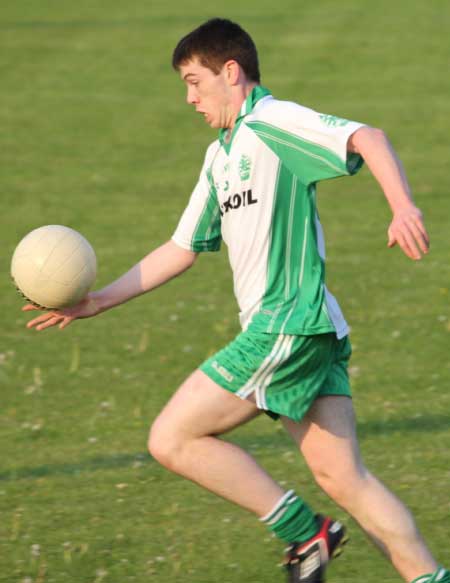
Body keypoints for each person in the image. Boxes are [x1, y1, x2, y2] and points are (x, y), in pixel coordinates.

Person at [24, 18, 448, 583]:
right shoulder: (219, 156)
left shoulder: (271, 121)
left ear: (232, 72)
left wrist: (403, 206)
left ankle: (305, 532)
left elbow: (366, 136)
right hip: (310, 332)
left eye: (195, 82)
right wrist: (98, 301)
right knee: (346, 480)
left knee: (172, 437)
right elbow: (181, 248)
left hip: (287, 326)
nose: (190, 97)